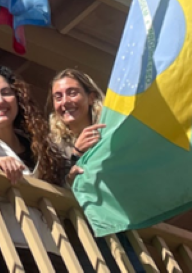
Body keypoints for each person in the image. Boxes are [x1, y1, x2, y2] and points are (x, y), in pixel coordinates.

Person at [0, 66, 68, 272]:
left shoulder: (42, 149)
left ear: (18, 99)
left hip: (52, 254)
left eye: (6, 92)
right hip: (0, 249)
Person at [48, 69, 144, 273]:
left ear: (90, 97)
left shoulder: (112, 135)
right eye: (58, 97)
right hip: (79, 237)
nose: (65, 101)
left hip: (120, 233)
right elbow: (49, 185)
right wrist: (76, 153)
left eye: (72, 92)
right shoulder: (51, 145)